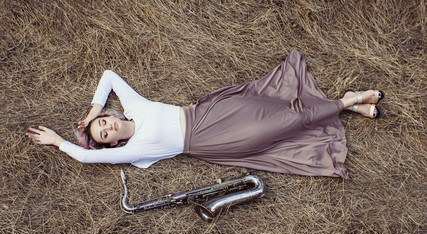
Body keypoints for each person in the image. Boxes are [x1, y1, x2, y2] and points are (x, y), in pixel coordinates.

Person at [26, 50, 384, 179]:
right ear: (113, 144)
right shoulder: (134, 151)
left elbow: (108, 76)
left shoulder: (134, 107)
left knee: (277, 107)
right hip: (212, 140)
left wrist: (91, 112)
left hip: (213, 112)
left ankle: (349, 103)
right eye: (104, 133)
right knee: (287, 124)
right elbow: (87, 161)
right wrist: (59, 142)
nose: (108, 126)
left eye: (105, 121)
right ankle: (346, 102)